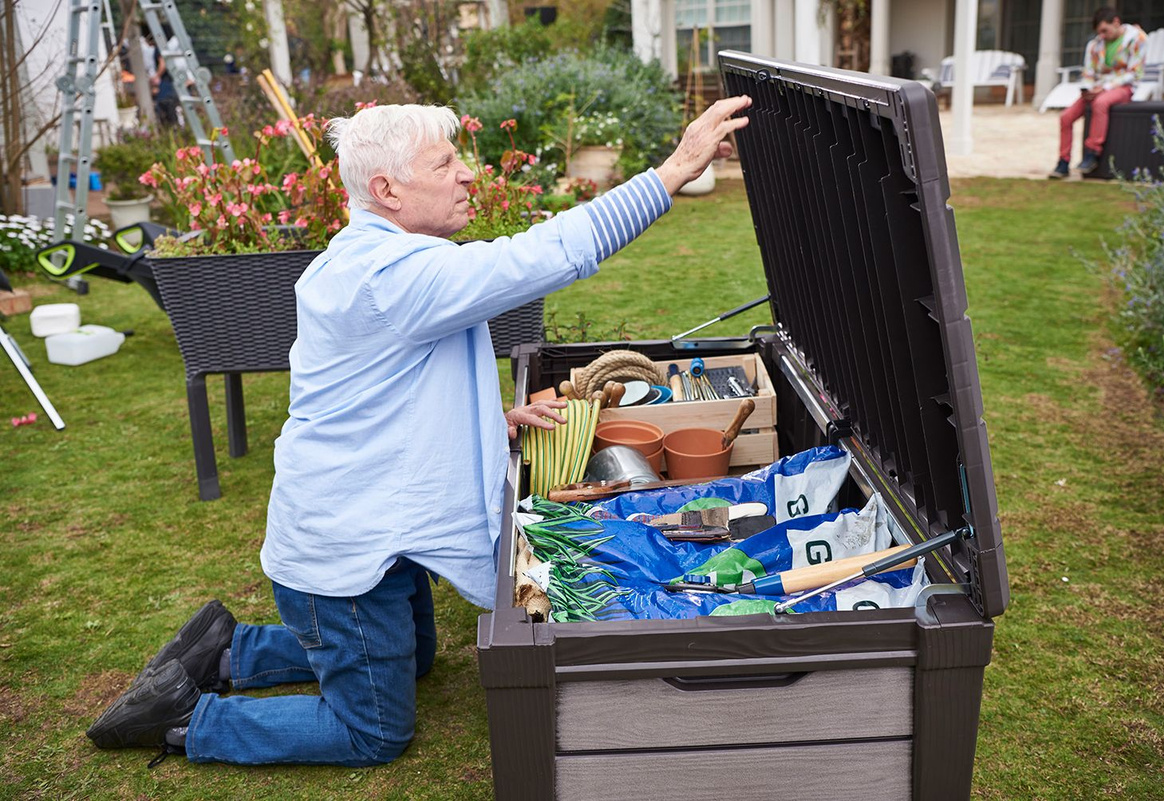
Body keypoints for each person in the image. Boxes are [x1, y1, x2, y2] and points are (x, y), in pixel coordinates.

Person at [85, 96, 752, 766]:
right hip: (341, 556)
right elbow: (551, 252)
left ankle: (230, 648)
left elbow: (385, 399)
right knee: (373, 729)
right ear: (387, 190)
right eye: (446, 162)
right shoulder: (391, 277)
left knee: (417, 658)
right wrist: (674, 170)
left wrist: (496, 420)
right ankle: (186, 717)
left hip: (368, 524)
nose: (468, 174)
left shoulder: (378, 259)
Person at [1049, 6, 1146, 178]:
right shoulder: (1095, 45)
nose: (1102, 35)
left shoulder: (1137, 39)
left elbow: (1134, 73)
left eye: (1105, 30)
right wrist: (1088, 88)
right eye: (1099, 32)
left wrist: (1106, 88)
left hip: (1123, 88)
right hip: (1097, 88)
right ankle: (1063, 162)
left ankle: (1092, 153)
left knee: (1101, 103)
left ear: (1116, 22)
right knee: (1066, 117)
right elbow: (1088, 72)